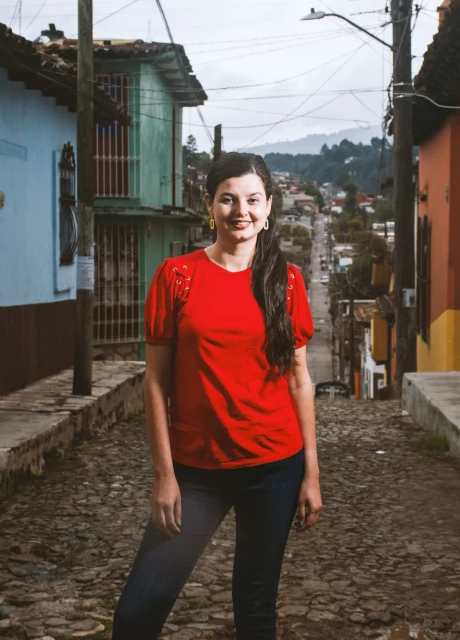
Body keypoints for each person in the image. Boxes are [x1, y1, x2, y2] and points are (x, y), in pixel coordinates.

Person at [112, 152, 322, 640]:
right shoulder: (177, 276)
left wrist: (310, 472)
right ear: (210, 205)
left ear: (269, 207)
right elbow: (157, 383)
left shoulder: (284, 281)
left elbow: (298, 380)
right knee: (136, 614)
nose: (240, 210)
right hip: (196, 473)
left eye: (252, 199)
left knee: (254, 609)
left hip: (274, 467)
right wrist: (164, 477)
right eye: (228, 199)